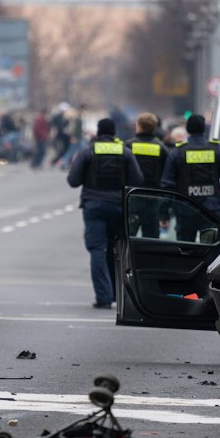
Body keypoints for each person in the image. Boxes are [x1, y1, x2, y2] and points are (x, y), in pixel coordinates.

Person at [66, 117, 142, 309]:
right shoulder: (125, 152)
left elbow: (73, 181)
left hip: (94, 207)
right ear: (114, 133)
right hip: (118, 206)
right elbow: (138, 180)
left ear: (98, 133)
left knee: (98, 250)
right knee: (116, 250)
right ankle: (118, 295)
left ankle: (103, 297)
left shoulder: (87, 152)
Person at [159, 112, 220, 231]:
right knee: (212, 247)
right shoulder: (217, 150)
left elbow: (167, 185)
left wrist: (163, 213)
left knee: (186, 248)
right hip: (211, 210)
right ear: (204, 129)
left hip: (185, 209)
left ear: (188, 129)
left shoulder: (177, 152)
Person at [129, 112, 169, 192]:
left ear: (139, 127)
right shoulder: (162, 148)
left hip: (133, 192)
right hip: (155, 193)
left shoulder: (129, 145)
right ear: (154, 128)